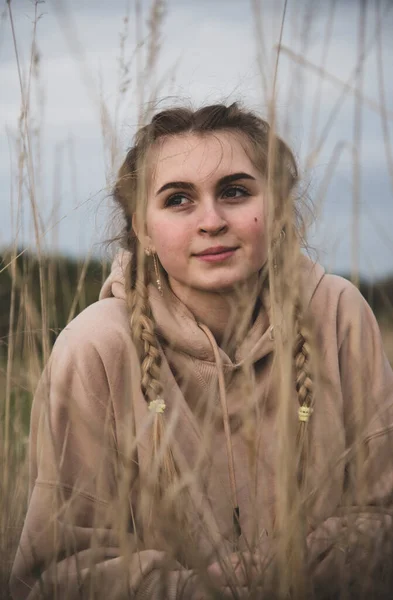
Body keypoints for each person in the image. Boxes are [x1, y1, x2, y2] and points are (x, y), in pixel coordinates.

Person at [10, 103, 393, 600]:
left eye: (235, 192)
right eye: (178, 200)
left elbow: (383, 512)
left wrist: (281, 570)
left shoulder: (339, 312)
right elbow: (57, 568)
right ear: (142, 230)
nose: (211, 221)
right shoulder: (95, 347)